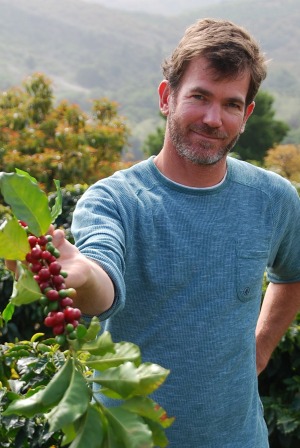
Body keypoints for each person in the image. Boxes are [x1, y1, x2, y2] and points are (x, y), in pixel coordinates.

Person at [51, 18, 300, 447]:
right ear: (167, 97)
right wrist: (82, 276)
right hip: (131, 439)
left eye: (231, 104)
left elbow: (292, 274)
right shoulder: (112, 201)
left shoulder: (273, 198)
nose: (212, 118)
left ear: (247, 114)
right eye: (199, 97)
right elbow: (101, 284)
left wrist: (259, 350)